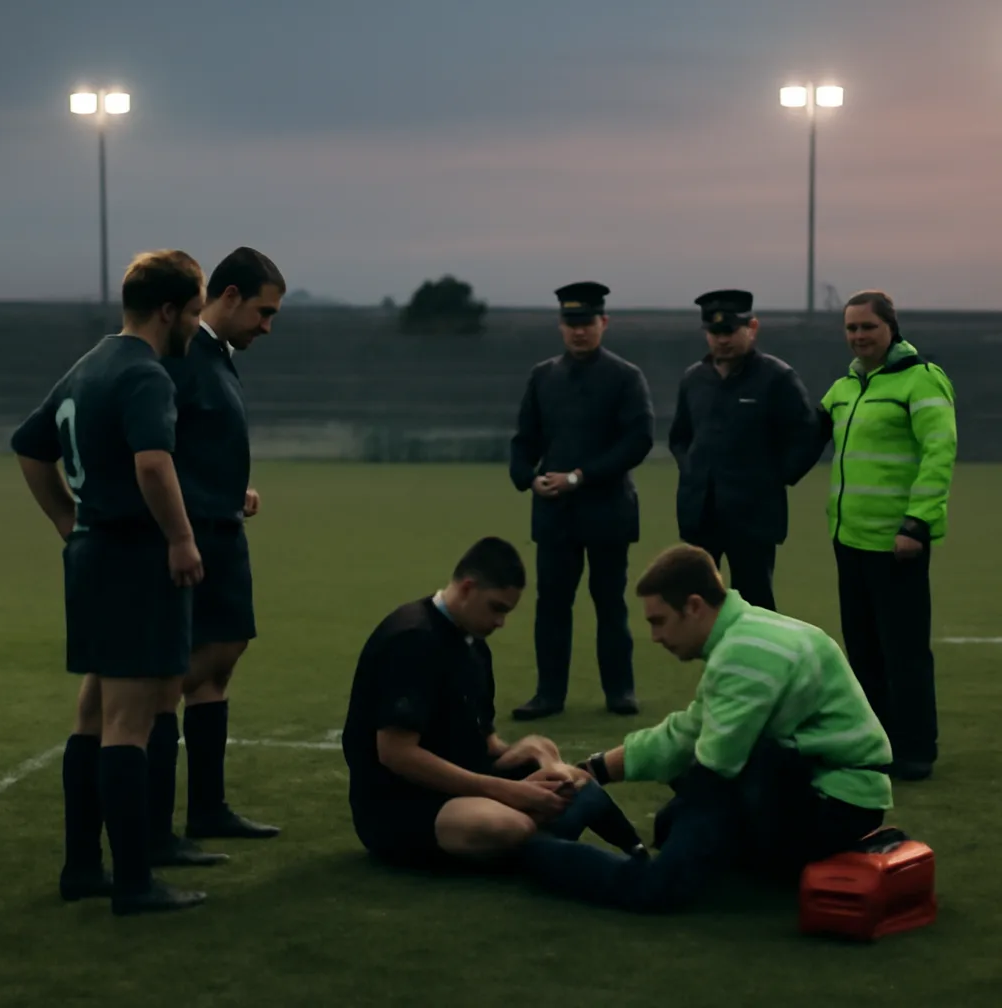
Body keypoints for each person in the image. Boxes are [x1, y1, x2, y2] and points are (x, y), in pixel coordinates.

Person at [517, 543, 894, 914]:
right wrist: (593, 771)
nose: (655, 636)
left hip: (832, 803)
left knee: (660, 881)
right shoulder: (750, 632)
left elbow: (715, 769)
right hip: (827, 789)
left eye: (659, 620)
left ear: (694, 606)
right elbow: (688, 730)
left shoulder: (744, 651)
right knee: (674, 823)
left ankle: (525, 850)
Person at [10, 250, 210, 915]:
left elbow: (30, 444)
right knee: (130, 719)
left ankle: (81, 868)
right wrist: (181, 538)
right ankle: (133, 883)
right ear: (169, 309)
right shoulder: (145, 374)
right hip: (131, 559)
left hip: (93, 555)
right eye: (196, 309)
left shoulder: (91, 362)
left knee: (94, 712)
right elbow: (154, 465)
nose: (196, 322)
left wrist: (71, 520)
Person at [340, 537, 647, 870]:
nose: (501, 622)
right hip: (398, 803)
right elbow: (396, 754)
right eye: (497, 608)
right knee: (506, 825)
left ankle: (637, 850)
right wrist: (504, 790)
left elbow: (482, 740)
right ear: (468, 588)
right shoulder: (412, 638)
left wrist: (525, 753)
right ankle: (566, 858)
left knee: (567, 780)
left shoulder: (473, 643)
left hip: (460, 785)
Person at [147, 248, 286, 867]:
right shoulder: (178, 359)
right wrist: (189, 519)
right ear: (226, 296)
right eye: (263, 311)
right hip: (194, 541)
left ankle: (206, 807)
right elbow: (154, 449)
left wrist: (235, 489)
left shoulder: (220, 360)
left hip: (223, 531)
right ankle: (151, 823)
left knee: (221, 664)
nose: (267, 326)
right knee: (169, 681)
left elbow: (198, 444)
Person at [814, 290, 957, 782]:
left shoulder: (922, 381)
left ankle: (917, 750)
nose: (858, 337)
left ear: (890, 329)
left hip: (897, 545)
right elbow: (799, 442)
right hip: (848, 540)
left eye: (867, 328)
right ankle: (877, 744)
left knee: (906, 653)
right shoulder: (844, 388)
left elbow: (940, 453)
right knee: (864, 653)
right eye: (851, 329)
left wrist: (916, 524)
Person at [509, 281, 655, 720]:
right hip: (555, 513)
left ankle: (620, 692)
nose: (579, 332)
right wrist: (528, 479)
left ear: (603, 323)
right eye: (571, 324)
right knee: (552, 605)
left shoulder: (625, 377)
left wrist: (579, 476)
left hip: (607, 510)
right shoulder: (543, 377)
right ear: (561, 326)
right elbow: (525, 439)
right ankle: (548, 694)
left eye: (587, 323)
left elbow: (639, 441)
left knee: (610, 602)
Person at [667, 289, 819, 611]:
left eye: (730, 331)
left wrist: (774, 477)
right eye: (715, 332)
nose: (722, 340)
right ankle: (715, 662)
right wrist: (693, 468)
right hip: (700, 513)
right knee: (699, 602)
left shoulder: (777, 379)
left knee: (755, 602)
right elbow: (679, 437)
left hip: (753, 517)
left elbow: (805, 437)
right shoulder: (694, 379)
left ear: (752, 327)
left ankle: (760, 661)